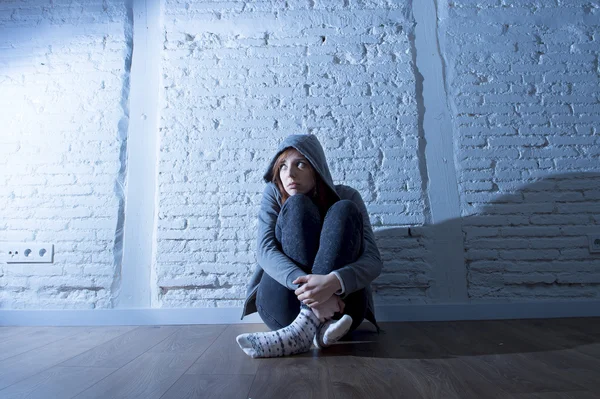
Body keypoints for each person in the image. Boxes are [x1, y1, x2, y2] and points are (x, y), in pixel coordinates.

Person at [237, 134, 383, 358]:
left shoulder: (349, 196)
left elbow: (373, 260)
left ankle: (302, 331)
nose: (290, 174)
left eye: (300, 164)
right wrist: (312, 294)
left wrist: (332, 282)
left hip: (343, 311)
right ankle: (309, 322)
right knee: (297, 205)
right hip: (284, 304)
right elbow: (264, 250)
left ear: (317, 168)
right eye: (283, 166)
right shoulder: (275, 195)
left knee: (344, 209)